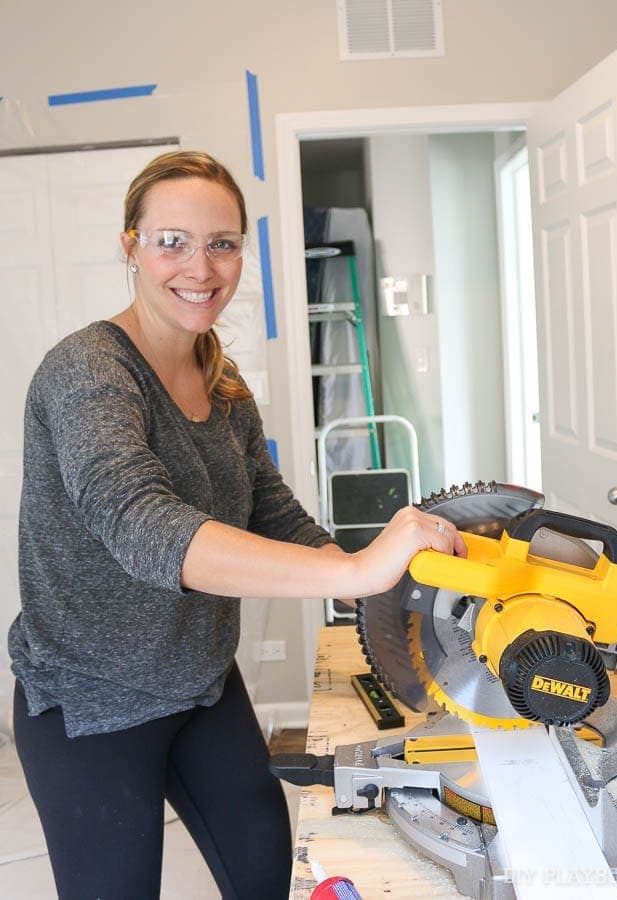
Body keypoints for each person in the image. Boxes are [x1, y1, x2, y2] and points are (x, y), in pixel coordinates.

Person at [7, 149, 465, 900]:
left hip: (202, 686)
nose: (201, 266)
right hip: (92, 704)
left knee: (261, 872)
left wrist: (371, 587)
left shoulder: (222, 380)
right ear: (131, 247)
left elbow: (267, 507)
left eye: (222, 243)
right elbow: (142, 525)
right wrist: (355, 569)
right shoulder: (88, 371)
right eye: (171, 242)